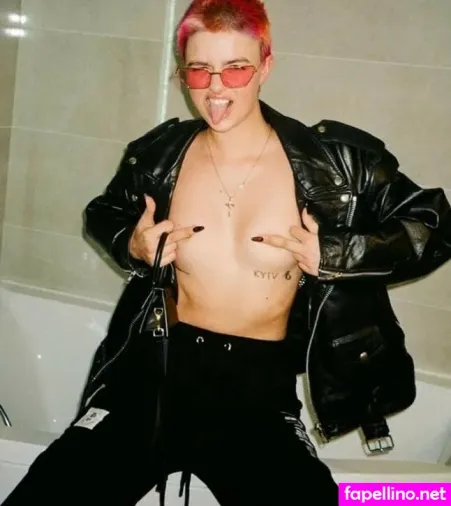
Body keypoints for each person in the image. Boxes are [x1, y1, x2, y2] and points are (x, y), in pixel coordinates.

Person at [3, 0, 451, 505]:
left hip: (257, 391)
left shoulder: (337, 163)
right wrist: (132, 243)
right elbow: (103, 211)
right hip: (152, 374)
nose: (215, 89)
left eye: (236, 69)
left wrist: (335, 253)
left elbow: (435, 225)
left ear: (266, 65)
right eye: (199, 70)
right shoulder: (159, 155)